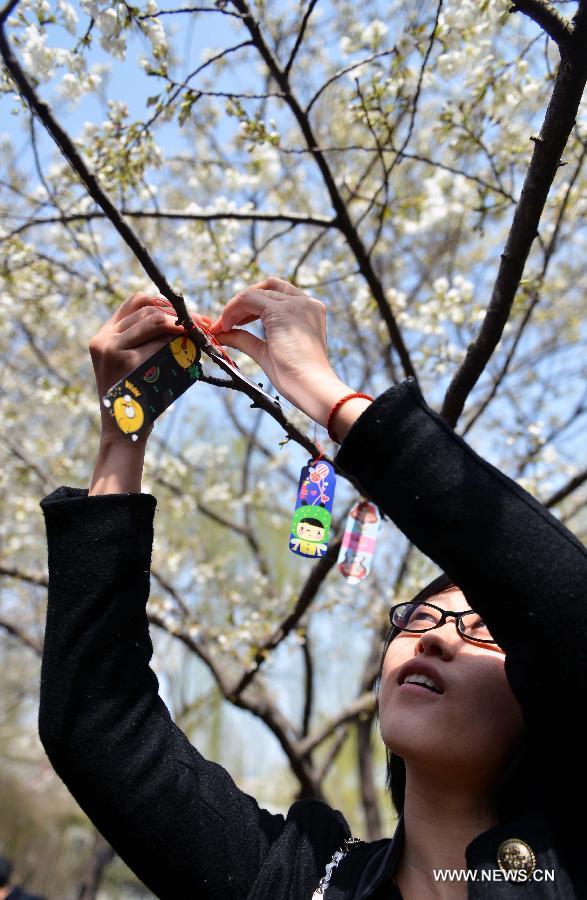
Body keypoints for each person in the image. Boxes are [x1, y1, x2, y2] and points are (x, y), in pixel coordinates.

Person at [37, 278, 587, 899]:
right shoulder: (305, 881)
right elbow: (98, 724)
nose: (434, 641)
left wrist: (330, 398)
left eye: (483, 631)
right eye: (421, 620)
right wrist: (121, 436)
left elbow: (564, 602)